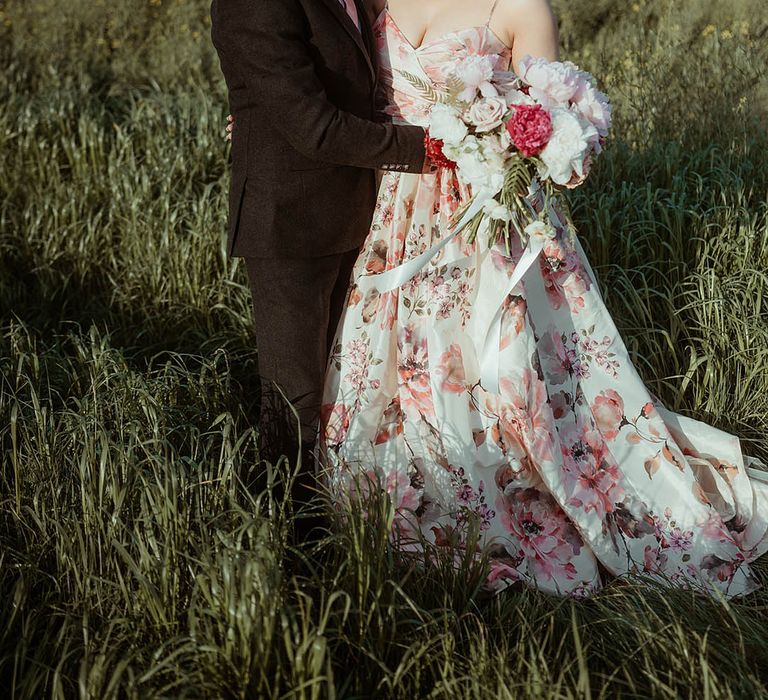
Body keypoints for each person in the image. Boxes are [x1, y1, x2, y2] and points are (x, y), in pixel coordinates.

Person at [318, 0, 768, 598]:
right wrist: (260, 115)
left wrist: (507, 146)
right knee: (397, 366)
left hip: (491, 220)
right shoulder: (378, 1)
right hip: (395, 212)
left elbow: (554, 130)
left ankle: (529, 495)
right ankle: (415, 485)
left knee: (505, 372)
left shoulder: (522, 7)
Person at [209, 0, 433, 527]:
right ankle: (291, 533)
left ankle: (343, 509)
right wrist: (430, 147)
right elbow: (312, 125)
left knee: (345, 382)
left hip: (360, 211)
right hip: (289, 222)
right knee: (294, 398)